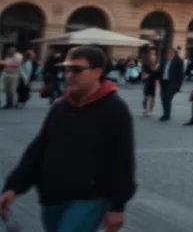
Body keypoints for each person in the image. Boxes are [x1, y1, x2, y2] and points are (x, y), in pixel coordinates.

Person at [1, 46, 136, 232]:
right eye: (66, 69)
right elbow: (39, 149)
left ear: (98, 72)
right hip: (53, 194)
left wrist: (117, 206)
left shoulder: (114, 109)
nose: (69, 75)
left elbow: (123, 159)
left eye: (77, 70)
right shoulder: (60, 106)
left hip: (90, 196)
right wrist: (13, 187)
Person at [157, 48, 184, 122]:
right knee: (163, 98)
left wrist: (179, 85)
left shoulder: (179, 61)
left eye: (170, 52)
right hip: (163, 82)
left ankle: (166, 115)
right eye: (168, 52)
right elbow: (160, 71)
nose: (168, 54)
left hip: (172, 83)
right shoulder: (164, 61)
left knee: (167, 98)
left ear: (174, 53)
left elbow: (181, 74)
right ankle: (165, 114)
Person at [141, 50, 159, 117]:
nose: (153, 55)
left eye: (154, 54)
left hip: (153, 82)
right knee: (148, 96)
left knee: (152, 96)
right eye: (152, 54)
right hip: (148, 82)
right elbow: (145, 74)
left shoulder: (156, 64)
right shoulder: (146, 65)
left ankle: (148, 109)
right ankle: (146, 109)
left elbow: (157, 74)